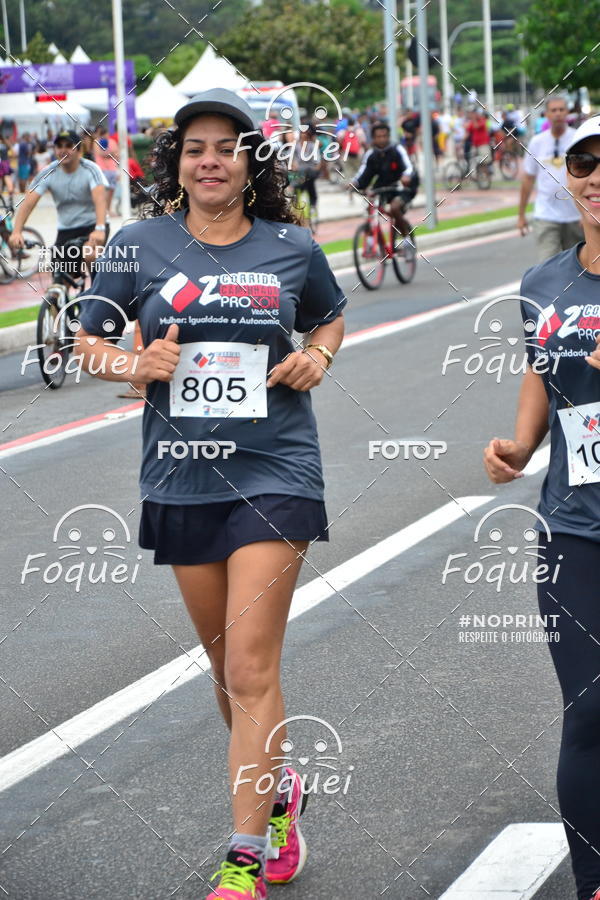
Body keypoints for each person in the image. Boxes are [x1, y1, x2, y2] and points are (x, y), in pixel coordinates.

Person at [74, 87, 346, 900]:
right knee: (228, 671)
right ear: (178, 164)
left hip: (276, 470)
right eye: (196, 148)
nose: (211, 160)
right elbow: (88, 342)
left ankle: (242, 860)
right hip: (181, 477)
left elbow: (329, 318)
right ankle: (279, 791)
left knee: (254, 667)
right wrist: (134, 364)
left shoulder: (290, 246)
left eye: (227, 147)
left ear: (249, 162)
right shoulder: (139, 244)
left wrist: (318, 357)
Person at [483, 115, 600, 900]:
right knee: (588, 711)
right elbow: (540, 370)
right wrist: (520, 448)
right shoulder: (543, 284)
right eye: (582, 163)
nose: (595, 176)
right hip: (574, 527)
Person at [8, 129, 108, 276]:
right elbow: (28, 204)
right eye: (59, 146)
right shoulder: (48, 172)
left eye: (69, 146)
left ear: (79, 150)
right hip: (66, 229)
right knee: (60, 279)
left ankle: (99, 289)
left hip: (92, 226)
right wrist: (17, 231)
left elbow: (100, 199)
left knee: (90, 254)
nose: (63, 150)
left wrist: (100, 228)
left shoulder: (91, 169)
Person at [518, 95, 584, 262]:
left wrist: (587, 214)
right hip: (546, 216)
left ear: (567, 112)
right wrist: (521, 215)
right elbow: (528, 180)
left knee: (577, 266)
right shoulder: (537, 142)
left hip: (575, 217)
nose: (558, 114)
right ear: (546, 114)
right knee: (548, 266)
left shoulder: (578, 140)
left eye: (561, 109)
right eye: (553, 110)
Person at [350, 120, 416, 242]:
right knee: (370, 207)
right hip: (382, 187)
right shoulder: (371, 154)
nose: (382, 139)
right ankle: (371, 240)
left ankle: (406, 238)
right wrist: (355, 183)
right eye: (378, 137)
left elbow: (409, 167)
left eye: (384, 136)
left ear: (389, 136)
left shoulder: (397, 149)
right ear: (373, 138)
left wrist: (406, 176)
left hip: (401, 187)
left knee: (394, 208)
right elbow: (364, 172)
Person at [93, 126, 120, 216]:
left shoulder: (112, 141)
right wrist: (111, 153)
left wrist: (110, 154)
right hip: (102, 169)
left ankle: (108, 209)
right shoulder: (97, 142)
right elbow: (101, 153)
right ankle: (103, 210)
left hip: (112, 169)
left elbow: (117, 154)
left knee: (111, 191)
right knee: (103, 191)